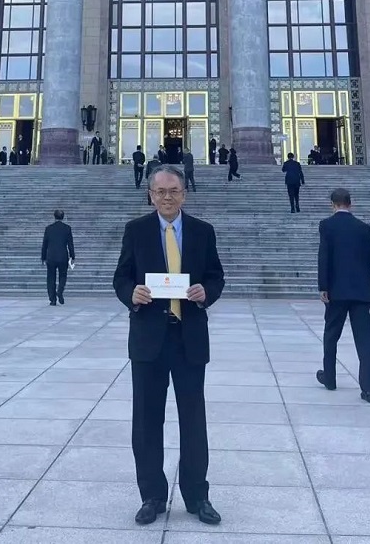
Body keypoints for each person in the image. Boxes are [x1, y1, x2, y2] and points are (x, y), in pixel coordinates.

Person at [113, 164, 225, 528]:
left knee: (193, 420)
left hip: (188, 337)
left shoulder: (203, 231)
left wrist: (207, 292)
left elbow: (216, 275)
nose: (167, 197)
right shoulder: (136, 230)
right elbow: (121, 276)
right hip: (149, 340)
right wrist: (131, 293)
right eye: (160, 191)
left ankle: (197, 496)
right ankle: (152, 496)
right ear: (150, 195)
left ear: (184, 194)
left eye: (173, 191)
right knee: (147, 421)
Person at [317, 188, 370, 402]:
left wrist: (323, 286)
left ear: (332, 205)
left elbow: (324, 257)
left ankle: (330, 377)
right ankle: (369, 388)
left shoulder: (327, 225)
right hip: (360, 291)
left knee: (331, 335)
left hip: (337, 290)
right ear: (350, 204)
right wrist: (365, 284)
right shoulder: (363, 227)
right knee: (365, 339)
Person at [41, 209, 75, 306]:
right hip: (63, 256)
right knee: (63, 276)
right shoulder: (67, 228)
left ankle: (52, 299)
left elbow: (45, 244)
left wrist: (43, 257)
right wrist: (72, 256)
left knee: (51, 277)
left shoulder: (49, 229)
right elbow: (70, 244)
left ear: (54, 216)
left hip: (51, 256)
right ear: (63, 217)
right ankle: (60, 291)